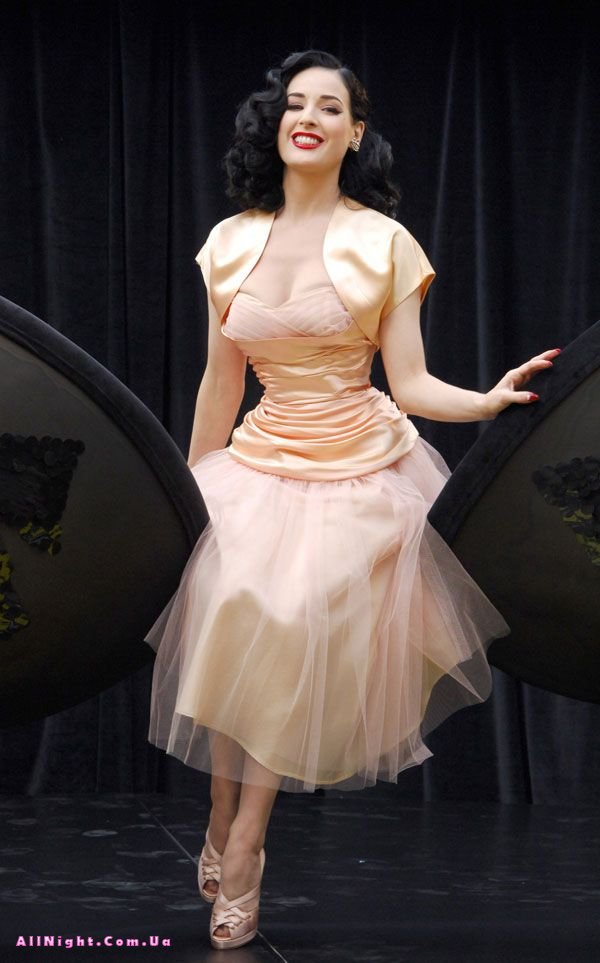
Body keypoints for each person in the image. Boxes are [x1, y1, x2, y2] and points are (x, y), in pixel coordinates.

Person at [144, 49, 559, 950]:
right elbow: (221, 384)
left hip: (360, 469)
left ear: (354, 133)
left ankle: (247, 842)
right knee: (233, 616)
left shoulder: (385, 243)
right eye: (295, 104)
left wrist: (487, 400)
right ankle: (220, 805)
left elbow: (411, 384)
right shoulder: (229, 240)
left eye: (330, 107)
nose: (309, 117)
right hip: (257, 461)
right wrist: (187, 494)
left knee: (287, 622)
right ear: (276, 125)